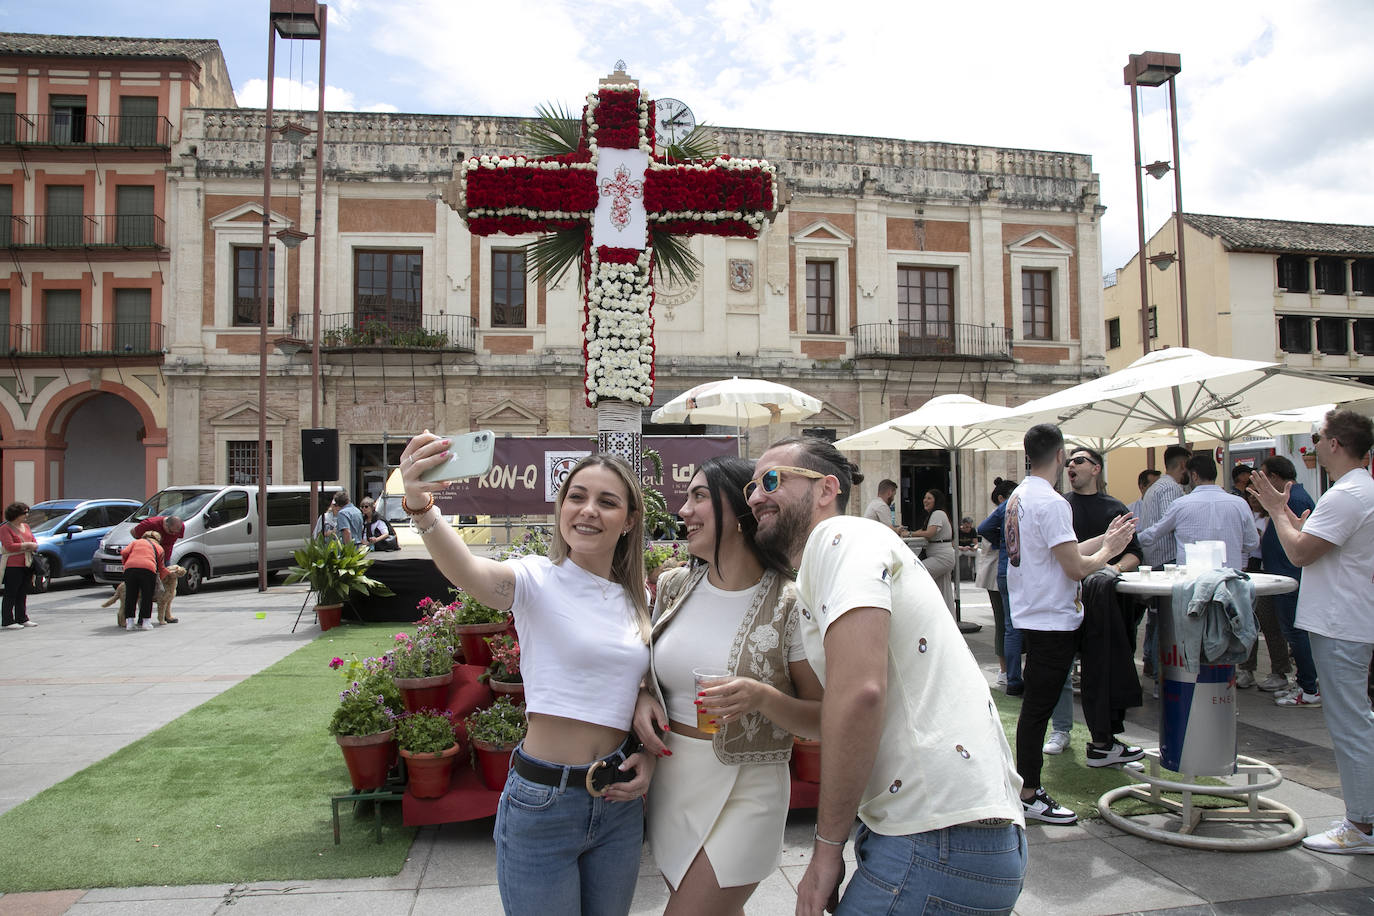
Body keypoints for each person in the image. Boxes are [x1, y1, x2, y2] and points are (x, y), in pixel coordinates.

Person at [745, 436, 1026, 915]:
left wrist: (826, 851)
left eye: (771, 480)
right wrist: (761, 698)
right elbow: (838, 714)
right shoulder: (838, 555)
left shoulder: (838, 537)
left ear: (826, 489)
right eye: (752, 486)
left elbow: (859, 696)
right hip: (957, 832)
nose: (755, 496)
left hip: (935, 837)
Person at [399, 434, 655, 914]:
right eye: (576, 497)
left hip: (618, 804)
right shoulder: (537, 579)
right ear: (561, 508)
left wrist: (647, 737)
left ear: (629, 520)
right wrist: (421, 505)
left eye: (607, 502)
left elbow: (635, 679)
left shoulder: (637, 598)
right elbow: (468, 571)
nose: (588, 510)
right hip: (544, 803)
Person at [633, 457, 823, 914]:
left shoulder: (789, 602)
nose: (684, 510)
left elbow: (822, 718)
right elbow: (652, 672)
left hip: (749, 788)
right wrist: (641, 696)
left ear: (741, 514)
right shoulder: (674, 586)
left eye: (699, 496)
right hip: (673, 781)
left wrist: (762, 697)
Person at [1250, 408, 1374, 855]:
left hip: (1341, 622)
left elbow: (1300, 553)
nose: (1314, 445)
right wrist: (1291, 518)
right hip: (1346, 619)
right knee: (1356, 720)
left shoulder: (1349, 494)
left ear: (1335, 443)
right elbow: (1319, 542)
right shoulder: (1354, 490)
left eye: (1318, 438)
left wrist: (1276, 511)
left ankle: (1361, 825)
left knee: (1350, 724)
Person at [1007, 423, 1138, 826]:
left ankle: (1033, 785)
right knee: (1037, 709)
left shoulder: (1020, 496)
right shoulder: (1051, 502)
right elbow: (1075, 568)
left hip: (1037, 611)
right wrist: (1110, 550)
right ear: (1061, 455)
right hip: (1050, 616)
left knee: (1037, 705)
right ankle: (1028, 792)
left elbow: (1060, 551)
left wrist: (1103, 539)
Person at [1056, 445, 1145, 757]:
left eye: (1079, 461)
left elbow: (1135, 553)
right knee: (1060, 670)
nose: (1071, 466)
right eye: (1068, 462)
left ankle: (1104, 738)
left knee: (1106, 667)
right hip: (1065, 600)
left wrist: (1114, 569)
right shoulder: (1060, 506)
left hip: (1107, 606)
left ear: (1096, 468)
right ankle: (1060, 730)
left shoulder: (1114, 507)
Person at [1255, 455, 1320, 706]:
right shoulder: (1292, 496)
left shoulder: (1294, 498)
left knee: (1296, 632)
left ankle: (1308, 687)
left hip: (1291, 577)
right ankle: (1306, 684)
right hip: (1286, 576)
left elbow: (1300, 539)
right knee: (1293, 632)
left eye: (1264, 476)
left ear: (1274, 477)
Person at [1137, 454, 1259, 573]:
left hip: (1191, 577)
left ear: (1194, 476)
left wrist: (1131, 541)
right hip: (1229, 576)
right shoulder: (1240, 504)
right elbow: (1252, 543)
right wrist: (1232, 545)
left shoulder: (1180, 505)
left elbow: (1154, 533)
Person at [1136, 446, 1189, 678]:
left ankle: (1150, 660)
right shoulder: (1170, 488)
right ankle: (1161, 672)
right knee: (1166, 619)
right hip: (1167, 559)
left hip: (1155, 556)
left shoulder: (1155, 487)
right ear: (1183, 465)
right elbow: (1171, 521)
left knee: (1156, 616)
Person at [978, 478, 1020, 693]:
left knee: (1005, 625)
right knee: (1008, 624)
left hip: (1000, 573)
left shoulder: (1000, 512)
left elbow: (983, 529)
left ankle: (1008, 674)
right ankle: (1008, 673)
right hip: (1003, 572)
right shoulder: (1009, 509)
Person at [909, 488, 957, 617]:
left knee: (917, 573)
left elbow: (929, 533)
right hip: (943, 556)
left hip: (942, 557)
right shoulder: (935, 515)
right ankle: (947, 620)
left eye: (929, 498)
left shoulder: (938, 513)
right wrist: (911, 533)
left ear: (936, 501)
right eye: (925, 497)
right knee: (944, 593)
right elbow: (924, 531)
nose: (925, 500)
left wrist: (910, 534)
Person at [0, 503, 39, 630]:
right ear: (16, 514)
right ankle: (7, 620)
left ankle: (22, 618)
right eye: (24, 513)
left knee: (23, 592)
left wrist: (32, 545)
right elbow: (9, 546)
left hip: (27, 563)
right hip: (12, 565)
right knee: (11, 592)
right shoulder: (5, 528)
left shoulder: (26, 526)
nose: (27, 515)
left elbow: (34, 541)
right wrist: (27, 545)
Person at [120, 530, 168, 631]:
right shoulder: (159, 548)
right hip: (148, 569)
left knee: (131, 595)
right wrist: (165, 577)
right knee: (147, 596)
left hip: (130, 569)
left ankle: (130, 623)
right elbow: (161, 567)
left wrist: (125, 564)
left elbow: (124, 552)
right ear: (158, 539)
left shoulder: (135, 542)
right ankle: (146, 622)